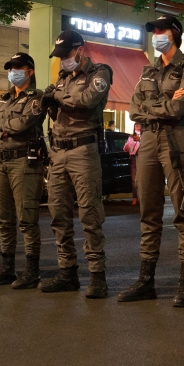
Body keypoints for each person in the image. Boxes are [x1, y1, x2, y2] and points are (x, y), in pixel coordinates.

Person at [120, 15, 184, 307]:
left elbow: (179, 108)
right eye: (154, 30)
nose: (156, 34)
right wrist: (163, 105)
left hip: (176, 138)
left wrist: (155, 106)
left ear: (174, 34)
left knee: (183, 209)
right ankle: (146, 281)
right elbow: (133, 109)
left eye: (161, 30)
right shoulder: (148, 70)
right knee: (148, 211)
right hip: (148, 140)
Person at [39, 29, 111, 298]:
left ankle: (97, 276)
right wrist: (48, 100)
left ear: (80, 50)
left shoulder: (99, 73)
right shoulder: (62, 77)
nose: (63, 60)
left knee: (89, 214)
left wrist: (57, 97)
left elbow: (87, 100)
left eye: (66, 54)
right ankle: (67, 272)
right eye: (60, 56)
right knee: (58, 213)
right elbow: (55, 109)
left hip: (83, 150)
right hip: (58, 151)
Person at [0, 52, 46, 289]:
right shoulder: (3, 98)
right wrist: (3, 131)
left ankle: (32, 271)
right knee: (3, 219)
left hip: (23, 162)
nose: (13, 72)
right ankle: (7, 269)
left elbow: (23, 124)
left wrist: (0, 129)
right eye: (10, 68)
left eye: (18, 68)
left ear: (30, 71)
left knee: (27, 219)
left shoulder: (37, 97)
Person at [123, 129, 140, 205]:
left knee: (142, 179)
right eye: (136, 125)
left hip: (142, 158)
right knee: (134, 180)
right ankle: (135, 198)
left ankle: (142, 197)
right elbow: (125, 148)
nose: (137, 127)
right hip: (133, 158)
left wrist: (140, 140)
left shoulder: (144, 136)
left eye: (139, 125)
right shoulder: (131, 137)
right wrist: (130, 144)